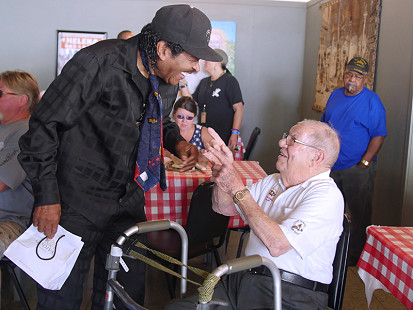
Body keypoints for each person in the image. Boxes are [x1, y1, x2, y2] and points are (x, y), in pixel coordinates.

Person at [18, 4, 222, 310]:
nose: (195, 68)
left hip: (128, 202)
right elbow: (43, 128)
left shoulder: (167, 80)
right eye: (192, 59)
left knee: (125, 298)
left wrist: (177, 143)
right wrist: (46, 197)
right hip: (75, 204)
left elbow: (157, 119)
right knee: (61, 297)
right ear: (164, 49)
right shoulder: (96, 64)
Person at [165, 119, 344, 310]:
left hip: (290, 295)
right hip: (244, 280)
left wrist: (235, 186)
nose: (282, 143)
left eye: (293, 140)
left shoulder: (327, 196)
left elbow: (277, 245)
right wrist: (222, 169)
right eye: (286, 137)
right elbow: (222, 207)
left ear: (316, 157)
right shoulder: (274, 181)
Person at [321, 56, 387, 266]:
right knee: (332, 210)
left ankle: (355, 258)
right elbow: (325, 125)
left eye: (357, 76)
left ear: (365, 79)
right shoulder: (335, 94)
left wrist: (365, 162)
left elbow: (379, 135)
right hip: (332, 165)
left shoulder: (372, 102)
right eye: (349, 74)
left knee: (359, 215)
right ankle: (333, 251)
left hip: (356, 168)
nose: (352, 79)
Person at [0, 70, 38, 303]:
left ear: (22, 99)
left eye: (0, 93)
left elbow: (1, 184)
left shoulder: (26, 134)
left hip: (11, 222)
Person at [180, 49, 244, 150]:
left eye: (208, 59)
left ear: (217, 62)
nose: (204, 61)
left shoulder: (230, 81)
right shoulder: (204, 82)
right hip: (205, 136)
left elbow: (239, 109)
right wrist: (183, 84)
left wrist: (234, 133)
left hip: (224, 136)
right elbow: (191, 103)